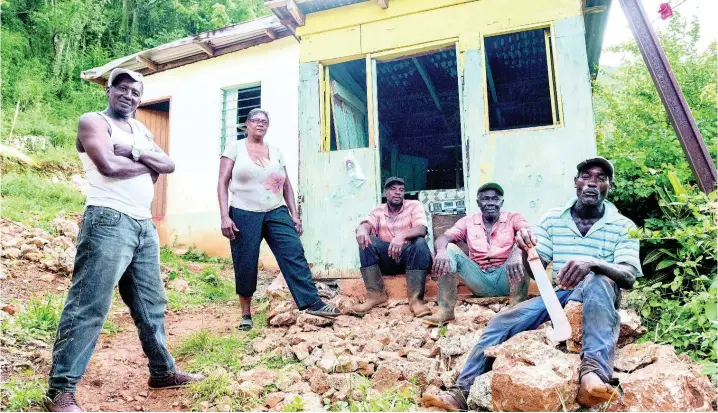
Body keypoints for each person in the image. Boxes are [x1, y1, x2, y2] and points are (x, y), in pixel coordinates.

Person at [422, 157, 642, 410]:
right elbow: (536, 267)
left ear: (609, 186)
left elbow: (628, 276)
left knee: (599, 279)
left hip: (600, 293)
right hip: (561, 294)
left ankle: (593, 374)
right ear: (575, 182)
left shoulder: (622, 225)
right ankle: (461, 390)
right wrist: (525, 249)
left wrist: (593, 263)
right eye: (586, 177)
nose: (592, 183)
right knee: (502, 321)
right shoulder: (553, 219)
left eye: (600, 179)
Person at [46, 68, 203, 412]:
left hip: (143, 225)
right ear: (109, 90)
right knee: (89, 305)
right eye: (122, 89)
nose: (129, 96)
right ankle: (61, 390)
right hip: (107, 220)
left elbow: (168, 165)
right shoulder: (94, 122)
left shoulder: (140, 129)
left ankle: (162, 371)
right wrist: (148, 163)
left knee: (152, 304)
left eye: (135, 91)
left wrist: (134, 153)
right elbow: (107, 166)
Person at [218, 108, 340, 331]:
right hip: (243, 211)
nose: (260, 124)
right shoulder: (234, 149)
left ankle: (312, 302)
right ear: (246, 124)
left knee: (293, 252)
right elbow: (222, 182)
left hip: (276, 210)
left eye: (264, 121)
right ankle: (246, 314)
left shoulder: (276, 151)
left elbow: (286, 185)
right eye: (255, 120)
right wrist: (224, 216)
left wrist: (295, 214)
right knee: (246, 262)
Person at [423, 183, 531, 326]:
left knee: (524, 248)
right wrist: (441, 251)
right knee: (448, 248)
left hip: (508, 278)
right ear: (478, 203)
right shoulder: (468, 221)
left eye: (495, 199)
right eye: (486, 199)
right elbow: (444, 238)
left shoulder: (513, 218)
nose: (491, 203)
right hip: (479, 279)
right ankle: (445, 311)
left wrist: (516, 252)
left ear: (502, 202)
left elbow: (528, 232)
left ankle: (516, 310)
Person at [352, 177, 433, 318]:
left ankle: (416, 300)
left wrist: (402, 236)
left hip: (412, 260)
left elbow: (421, 229)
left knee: (419, 242)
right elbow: (367, 223)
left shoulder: (414, 205)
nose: (398, 193)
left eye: (401, 190)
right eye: (393, 189)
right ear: (385, 193)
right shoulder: (378, 210)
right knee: (367, 240)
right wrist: (361, 229)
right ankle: (375, 295)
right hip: (389, 261)